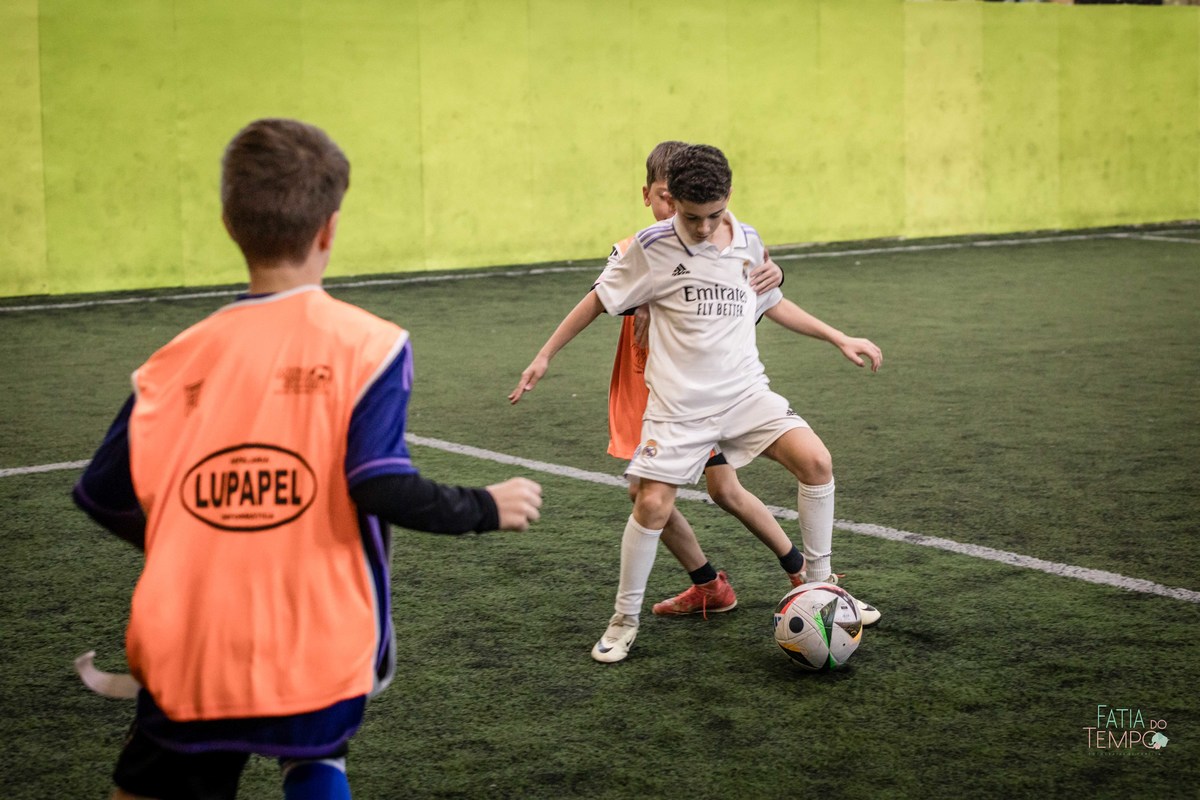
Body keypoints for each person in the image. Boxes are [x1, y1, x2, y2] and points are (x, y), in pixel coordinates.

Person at [71, 118, 542, 800]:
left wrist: (206, 540)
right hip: (315, 640)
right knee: (316, 760)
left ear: (229, 225)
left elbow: (104, 492)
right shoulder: (369, 345)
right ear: (330, 228)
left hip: (188, 645)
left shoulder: (170, 362)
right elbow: (379, 485)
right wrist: (484, 506)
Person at [509, 144, 880, 664]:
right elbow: (597, 300)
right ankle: (623, 620)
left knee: (816, 461)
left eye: (715, 215)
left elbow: (771, 302)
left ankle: (821, 589)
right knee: (651, 503)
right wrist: (545, 355)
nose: (704, 228)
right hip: (679, 409)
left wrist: (840, 337)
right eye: (691, 216)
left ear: (728, 200)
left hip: (746, 395)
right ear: (670, 201)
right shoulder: (649, 247)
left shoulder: (748, 239)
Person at [603, 141, 819, 619]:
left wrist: (775, 272)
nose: (670, 209)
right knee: (654, 493)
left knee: (713, 490)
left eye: (672, 199)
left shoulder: (720, 236)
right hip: (651, 383)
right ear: (651, 197)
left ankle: (794, 571)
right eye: (662, 198)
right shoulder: (640, 247)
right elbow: (611, 297)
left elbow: (746, 289)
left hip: (696, 389)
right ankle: (715, 582)